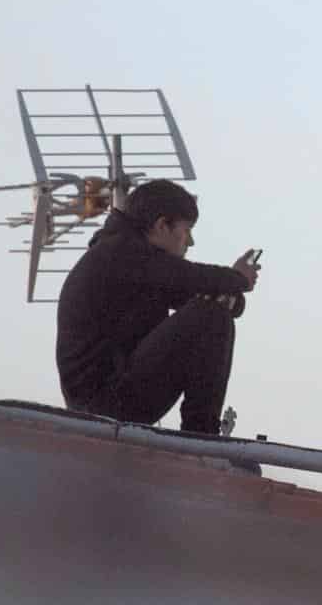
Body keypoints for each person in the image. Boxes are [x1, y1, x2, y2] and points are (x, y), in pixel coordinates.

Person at [56, 179, 262, 436]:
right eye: (186, 231)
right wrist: (238, 278)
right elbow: (192, 279)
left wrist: (230, 296)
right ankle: (201, 437)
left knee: (212, 314)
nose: (190, 242)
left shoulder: (141, 266)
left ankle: (201, 437)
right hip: (104, 404)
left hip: (113, 399)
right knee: (209, 316)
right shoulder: (120, 253)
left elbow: (203, 294)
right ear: (162, 225)